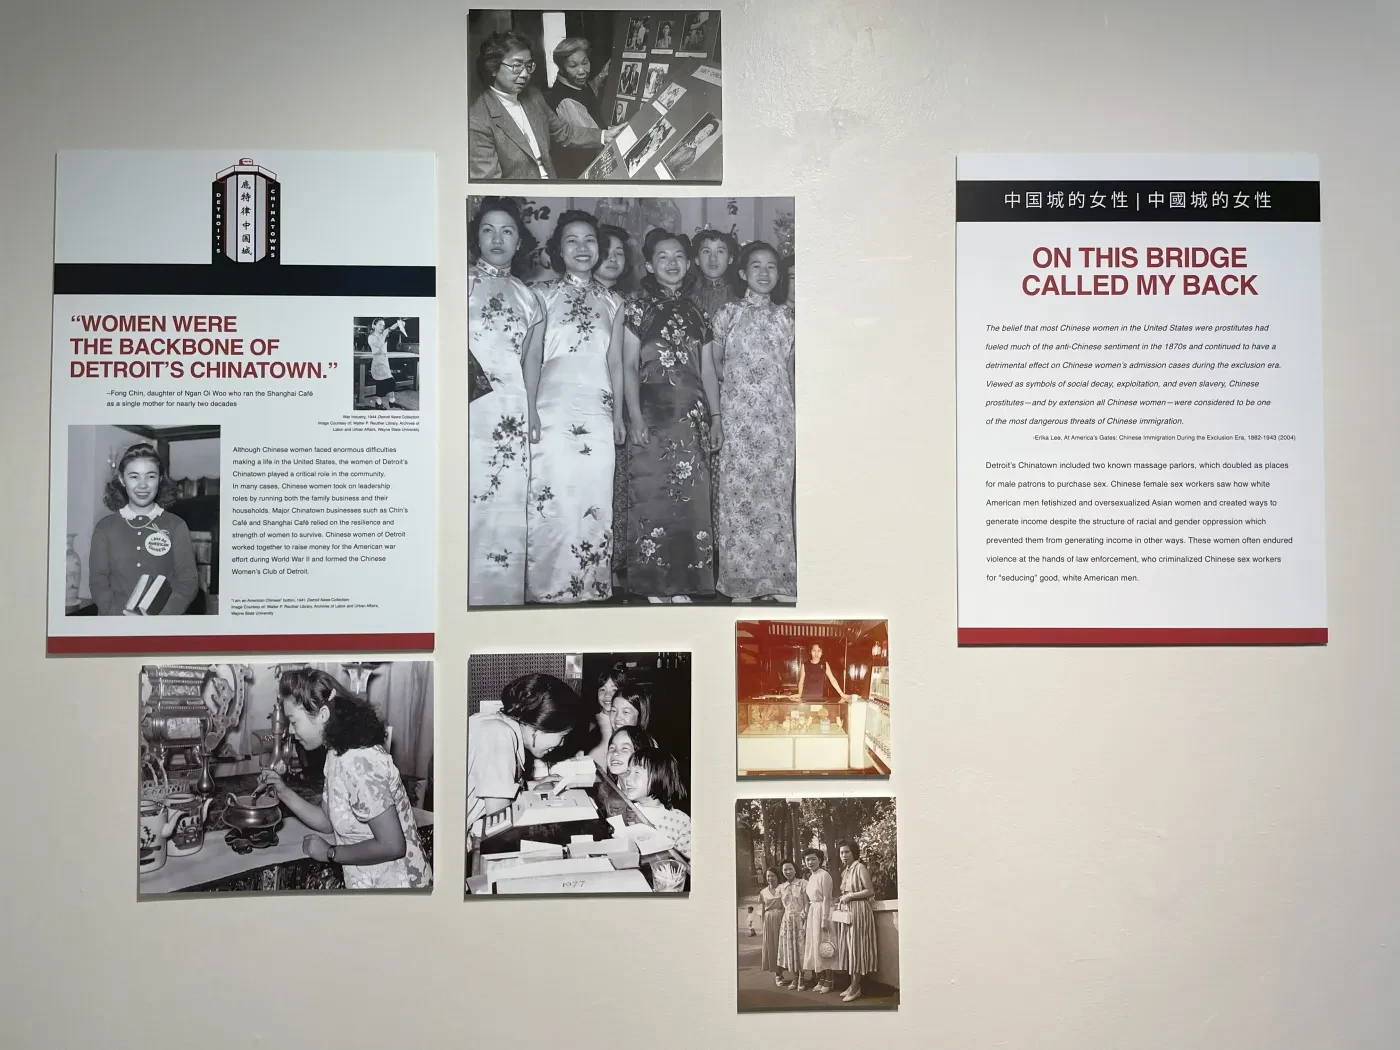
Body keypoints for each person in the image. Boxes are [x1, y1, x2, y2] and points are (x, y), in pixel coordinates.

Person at [525, 210, 625, 603]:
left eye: (589, 240)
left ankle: (591, 590)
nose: (582, 248)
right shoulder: (541, 295)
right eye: (572, 240)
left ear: (598, 249)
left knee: (594, 496)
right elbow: (532, 358)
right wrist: (529, 408)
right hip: (552, 407)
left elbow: (616, 362)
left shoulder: (614, 302)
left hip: (597, 411)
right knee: (552, 495)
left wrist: (617, 416)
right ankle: (546, 589)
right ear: (559, 250)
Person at [258, 668, 431, 890]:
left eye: (294, 721)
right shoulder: (336, 754)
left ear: (322, 716)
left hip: (400, 888)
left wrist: (330, 853)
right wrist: (282, 791)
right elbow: (327, 821)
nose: (290, 731)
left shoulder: (359, 762)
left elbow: (392, 845)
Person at [621, 229, 722, 602]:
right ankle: (654, 584)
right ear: (649, 265)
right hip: (652, 414)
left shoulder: (699, 312)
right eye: (663, 257)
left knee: (691, 504)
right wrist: (634, 415)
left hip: (692, 417)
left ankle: (685, 584)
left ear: (689, 262)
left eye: (678, 255)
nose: (672, 262)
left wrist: (716, 417)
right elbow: (628, 365)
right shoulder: (635, 308)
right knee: (652, 497)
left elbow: (708, 371)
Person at [469, 197, 544, 606]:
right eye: (488, 229)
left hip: (512, 413)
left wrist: (529, 408)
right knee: (470, 498)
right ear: (476, 238)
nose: (497, 239)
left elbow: (531, 361)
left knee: (508, 500)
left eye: (507, 230)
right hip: (470, 409)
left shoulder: (529, 299)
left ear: (520, 242)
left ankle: (502, 596)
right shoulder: (459, 285)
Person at [713, 241, 797, 602]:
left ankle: (778, 581)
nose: (764, 273)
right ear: (743, 273)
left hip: (778, 421)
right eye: (756, 266)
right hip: (738, 420)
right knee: (739, 498)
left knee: (775, 498)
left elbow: (791, 373)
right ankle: (741, 584)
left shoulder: (787, 319)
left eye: (772, 267)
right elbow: (715, 365)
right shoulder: (727, 315)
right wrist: (735, 398)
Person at [469, 30, 621, 180]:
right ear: (493, 67)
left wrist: (603, 136)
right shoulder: (478, 120)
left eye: (528, 65)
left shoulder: (533, 96)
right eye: (516, 66)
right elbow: (490, 188)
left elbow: (563, 131)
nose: (524, 74)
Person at [467, 673, 595, 843]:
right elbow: (499, 821)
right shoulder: (499, 735)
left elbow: (491, 790)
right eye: (562, 734)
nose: (562, 743)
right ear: (541, 725)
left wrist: (532, 787)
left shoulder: (495, 725)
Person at [88, 442, 199, 616]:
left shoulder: (176, 526)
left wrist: (160, 618)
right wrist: (120, 618)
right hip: (114, 626)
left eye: (150, 476)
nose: (143, 485)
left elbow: (187, 581)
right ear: (122, 480)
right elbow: (98, 581)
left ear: (160, 479)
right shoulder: (105, 527)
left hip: (161, 628)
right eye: (134, 476)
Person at [595, 224, 636, 593]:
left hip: (618, 403)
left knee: (617, 488)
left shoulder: (627, 303)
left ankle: (616, 566)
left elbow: (625, 363)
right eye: (605, 250)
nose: (612, 258)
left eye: (619, 252)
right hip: (577, 405)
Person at [544, 37, 606, 179]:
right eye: (573, 66)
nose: (582, 71)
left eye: (585, 62)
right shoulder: (566, 102)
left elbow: (588, 90)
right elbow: (596, 141)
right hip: (581, 172)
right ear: (562, 68)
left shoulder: (573, 84)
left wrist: (602, 75)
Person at [618, 743, 690, 858]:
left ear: (659, 778)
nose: (628, 778)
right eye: (628, 772)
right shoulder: (625, 809)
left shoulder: (680, 822)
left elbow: (691, 862)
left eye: (637, 773)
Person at [835, 838, 879, 1002]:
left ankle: (856, 986)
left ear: (854, 852)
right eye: (841, 852)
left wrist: (850, 895)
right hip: (848, 912)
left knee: (857, 947)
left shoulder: (860, 867)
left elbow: (869, 890)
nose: (844, 855)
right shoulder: (845, 871)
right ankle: (853, 984)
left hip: (859, 911)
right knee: (849, 947)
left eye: (846, 852)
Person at [800, 848, 836, 993]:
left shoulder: (824, 875)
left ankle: (829, 979)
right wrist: (805, 912)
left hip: (822, 911)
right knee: (816, 945)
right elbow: (809, 899)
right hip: (813, 912)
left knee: (825, 945)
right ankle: (821, 978)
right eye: (807, 859)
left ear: (820, 860)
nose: (810, 862)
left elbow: (827, 898)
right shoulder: (811, 877)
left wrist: (824, 919)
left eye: (813, 859)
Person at [687, 228, 738, 321]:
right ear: (697, 260)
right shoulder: (689, 301)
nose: (713, 258)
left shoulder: (739, 298)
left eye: (720, 251)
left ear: (730, 259)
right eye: (706, 251)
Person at [775, 859, 807, 988]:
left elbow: (806, 903)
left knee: (801, 947)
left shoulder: (803, 883)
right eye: (785, 870)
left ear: (795, 869)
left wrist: (805, 915)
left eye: (790, 868)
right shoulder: (781, 887)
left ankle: (802, 977)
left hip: (800, 918)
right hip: (787, 920)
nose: (788, 872)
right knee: (790, 948)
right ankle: (794, 977)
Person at [365, 318, 408, 409]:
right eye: (380, 325)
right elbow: (380, 345)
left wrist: (399, 323)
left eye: (383, 325)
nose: (382, 327)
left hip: (385, 362)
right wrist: (385, 333)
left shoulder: (383, 333)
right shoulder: (371, 337)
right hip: (378, 364)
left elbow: (391, 328)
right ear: (374, 326)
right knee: (385, 382)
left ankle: (386, 402)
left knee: (386, 383)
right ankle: (384, 402)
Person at [759, 867, 785, 982]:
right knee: (772, 945)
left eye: (773, 876)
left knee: (783, 944)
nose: (770, 878)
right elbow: (763, 910)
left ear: (777, 876)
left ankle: (793, 972)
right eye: (768, 876)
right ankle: (777, 974)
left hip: (782, 918)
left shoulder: (782, 888)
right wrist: (763, 925)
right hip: (769, 920)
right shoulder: (763, 892)